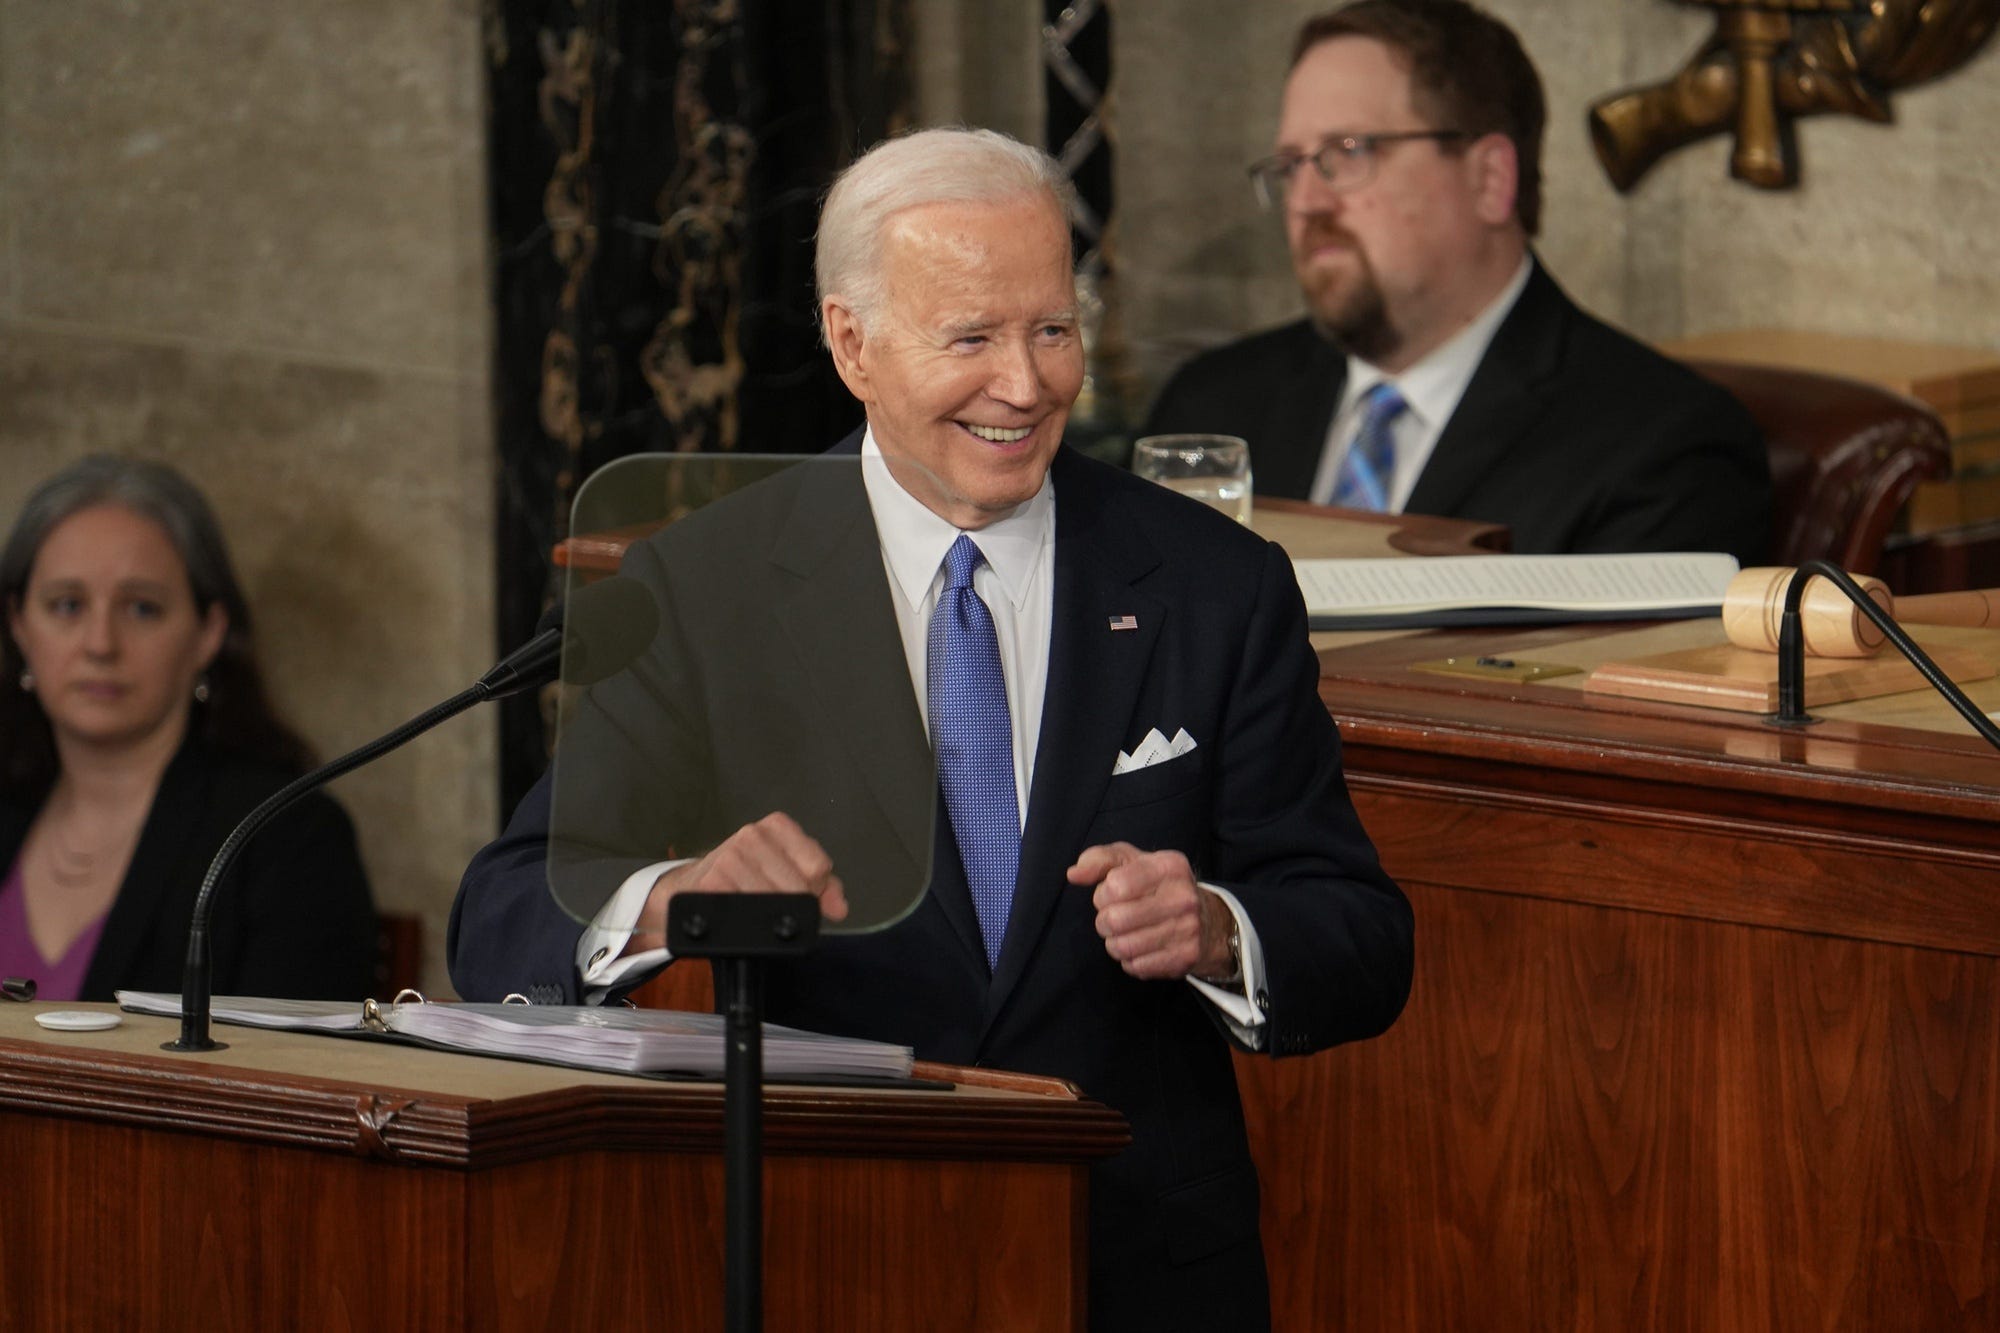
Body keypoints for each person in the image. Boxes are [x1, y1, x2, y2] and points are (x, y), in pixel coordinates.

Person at [448, 128, 1412, 1332]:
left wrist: (1216, 926)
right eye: (970, 338)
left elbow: (1360, 934)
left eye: (1051, 329)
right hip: (814, 1252)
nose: (1025, 382)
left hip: (1133, 1268)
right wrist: (676, 898)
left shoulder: (1213, 584)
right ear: (852, 343)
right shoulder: (705, 586)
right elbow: (501, 921)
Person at [1142, 0, 1772, 563]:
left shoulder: (1662, 450)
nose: (1305, 201)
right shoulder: (1212, 408)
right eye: (1289, 166)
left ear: (1489, 178)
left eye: (1349, 152)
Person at [0, 455, 377, 1002]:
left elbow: (291, 1079)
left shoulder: (288, 839)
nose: (100, 643)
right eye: (66, 605)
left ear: (208, 632)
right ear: (19, 626)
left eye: (143, 609)